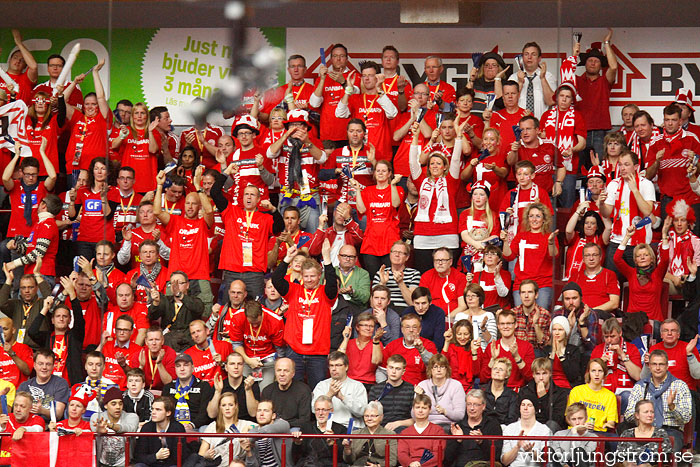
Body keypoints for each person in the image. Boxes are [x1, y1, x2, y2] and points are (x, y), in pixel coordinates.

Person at [271, 240, 337, 389]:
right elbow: (276, 280)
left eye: (313, 276)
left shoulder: (325, 293)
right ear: (302, 275)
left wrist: (327, 259)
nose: (309, 280)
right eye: (306, 276)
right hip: (294, 351)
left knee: (318, 391)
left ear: (319, 276)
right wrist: (287, 259)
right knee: (293, 390)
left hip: (318, 353)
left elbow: (332, 284)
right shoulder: (294, 290)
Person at [409, 120, 467, 272]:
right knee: (425, 276)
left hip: (447, 234)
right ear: (428, 167)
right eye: (432, 163)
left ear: (444, 167)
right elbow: (412, 162)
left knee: (448, 276)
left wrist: (459, 137)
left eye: (438, 163)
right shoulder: (420, 180)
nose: (435, 166)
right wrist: (415, 138)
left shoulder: (451, 180)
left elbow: (455, 159)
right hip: (423, 236)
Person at [154, 168, 215, 311]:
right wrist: (159, 186)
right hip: (176, 277)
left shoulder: (203, 223)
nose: (190, 206)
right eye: (188, 203)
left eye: (194, 204)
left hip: (200, 276)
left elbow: (210, 211)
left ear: (199, 205)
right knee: (171, 315)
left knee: (205, 314)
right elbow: (157, 211)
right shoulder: (175, 221)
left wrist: (198, 186)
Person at [267, 109, 326, 232]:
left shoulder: (314, 142)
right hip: (288, 196)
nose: (295, 128)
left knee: (314, 235)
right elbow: (270, 154)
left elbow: (322, 159)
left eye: (299, 125)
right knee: (286, 236)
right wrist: (285, 136)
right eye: (292, 125)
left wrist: (307, 142)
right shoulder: (282, 143)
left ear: (305, 127)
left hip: (309, 196)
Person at [539, 58, 587, 208]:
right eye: (562, 96)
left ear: (572, 99)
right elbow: (541, 137)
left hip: (568, 167)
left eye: (568, 97)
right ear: (556, 97)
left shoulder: (577, 116)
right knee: (546, 206)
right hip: (547, 167)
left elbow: (582, 142)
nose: (564, 99)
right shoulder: (547, 115)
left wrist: (572, 149)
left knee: (566, 207)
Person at [625, 349, 692, 453]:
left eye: (661, 364)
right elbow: (628, 415)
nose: (657, 368)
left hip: (670, 430)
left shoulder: (680, 386)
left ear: (667, 366)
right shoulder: (640, 386)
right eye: (654, 364)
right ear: (649, 366)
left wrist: (672, 407)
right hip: (643, 429)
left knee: (663, 450)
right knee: (626, 444)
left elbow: (686, 418)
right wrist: (640, 412)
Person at [599, 151, 655, 274]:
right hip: (617, 241)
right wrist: (601, 204)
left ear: (635, 167)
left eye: (626, 164)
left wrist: (634, 190)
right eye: (620, 164)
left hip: (640, 244)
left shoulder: (646, 184)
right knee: (612, 281)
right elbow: (606, 213)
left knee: (640, 282)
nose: (622, 168)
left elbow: (647, 211)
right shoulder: (613, 184)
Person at [27, 277, 85, 385]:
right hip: (50, 386)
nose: (61, 318)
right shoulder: (48, 338)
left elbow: (80, 320)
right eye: (58, 316)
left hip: (70, 387)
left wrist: (72, 294)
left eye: (65, 316)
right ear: (52, 320)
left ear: (69, 319)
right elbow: (32, 332)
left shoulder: (74, 336)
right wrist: (45, 309)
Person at [336, 62, 398, 160]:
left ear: (377, 77)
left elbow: (392, 114)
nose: (366, 78)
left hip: (381, 155)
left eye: (370, 75)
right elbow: (339, 113)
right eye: (364, 76)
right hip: (360, 154)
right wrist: (348, 90)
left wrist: (379, 89)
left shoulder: (385, 97)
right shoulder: (355, 98)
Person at [501, 202, 558, 308]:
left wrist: (550, 242)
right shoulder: (520, 236)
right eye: (531, 216)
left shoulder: (549, 236)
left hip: (543, 284)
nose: (534, 219)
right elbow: (509, 256)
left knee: (540, 320)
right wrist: (505, 241)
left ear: (544, 219)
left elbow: (553, 256)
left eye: (538, 216)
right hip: (521, 284)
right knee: (521, 320)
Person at [354, 159, 404, 279]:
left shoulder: (398, 189)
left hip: (390, 240)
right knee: (374, 279)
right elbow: (361, 210)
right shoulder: (367, 191)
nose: (380, 173)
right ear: (374, 173)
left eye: (384, 171)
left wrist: (392, 184)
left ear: (389, 173)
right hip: (371, 242)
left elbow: (395, 204)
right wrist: (357, 190)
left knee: (391, 279)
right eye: (378, 171)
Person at [62, 60, 111, 178]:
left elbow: (100, 97)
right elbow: (61, 100)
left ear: (98, 106)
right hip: (74, 168)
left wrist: (95, 73)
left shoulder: (103, 118)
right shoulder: (77, 117)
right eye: (87, 104)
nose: (90, 107)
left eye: (93, 104)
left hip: (95, 170)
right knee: (74, 196)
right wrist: (74, 83)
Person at [575, 29, 618, 158]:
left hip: (601, 130)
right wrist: (574, 52)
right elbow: (567, 69)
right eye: (590, 60)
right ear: (585, 63)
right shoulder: (576, 80)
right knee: (579, 172)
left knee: (601, 169)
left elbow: (614, 67)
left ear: (601, 65)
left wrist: (606, 43)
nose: (593, 63)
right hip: (580, 131)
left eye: (597, 61)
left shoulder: (604, 81)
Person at [615, 224, 669, 323]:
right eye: (639, 256)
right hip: (633, 322)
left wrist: (664, 235)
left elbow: (665, 259)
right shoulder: (631, 273)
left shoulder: (658, 273)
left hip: (654, 321)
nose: (642, 257)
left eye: (646, 255)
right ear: (635, 260)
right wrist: (627, 237)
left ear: (652, 258)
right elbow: (616, 259)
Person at [310, 43, 361, 146]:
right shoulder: (322, 78)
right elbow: (314, 104)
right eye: (335, 56)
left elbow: (356, 94)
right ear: (331, 59)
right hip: (327, 134)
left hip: (349, 134)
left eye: (342, 56)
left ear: (347, 59)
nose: (338, 59)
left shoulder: (354, 76)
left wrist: (343, 82)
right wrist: (323, 79)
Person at [68, 157, 118, 259]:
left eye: (103, 169)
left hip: (104, 240)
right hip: (84, 239)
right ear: (92, 171)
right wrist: (72, 201)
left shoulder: (113, 191)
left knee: (101, 272)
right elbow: (72, 216)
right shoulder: (82, 190)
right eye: (96, 168)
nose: (99, 172)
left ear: (108, 172)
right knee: (84, 272)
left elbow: (108, 216)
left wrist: (103, 197)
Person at [228, 300, 284, 390]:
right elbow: (236, 343)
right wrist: (248, 360)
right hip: (246, 359)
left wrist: (279, 367)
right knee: (243, 390)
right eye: (251, 323)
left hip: (267, 361)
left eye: (257, 323)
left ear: (261, 313)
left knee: (265, 391)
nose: (254, 326)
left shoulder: (275, 321)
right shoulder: (238, 317)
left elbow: (280, 349)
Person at [590, 318, 642, 411]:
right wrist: (599, 363)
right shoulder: (598, 350)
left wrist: (623, 355)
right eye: (606, 337)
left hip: (625, 392)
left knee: (626, 396)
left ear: (620, 333)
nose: (609, 340)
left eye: (612, 336)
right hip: (603, 391)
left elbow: (638, 376)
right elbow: (588, 378)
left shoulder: (631, 349)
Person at [196, 392, 258, 467]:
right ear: (220, 407)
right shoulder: (212, 426)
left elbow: (260, 428)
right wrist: (207, 455)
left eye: (230, 405)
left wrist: (247, 429)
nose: (227, 408)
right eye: (224, 405)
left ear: (236, 406)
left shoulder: (244, 424)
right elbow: (201, 454)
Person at [148, 271, 205, 351]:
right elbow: (152, 316)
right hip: (170, 342)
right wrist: (156, 302)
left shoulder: (195, 301)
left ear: (187, 285)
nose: (175, 286)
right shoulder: (165, 300)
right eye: (172, 283)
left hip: (189, 341)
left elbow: (199, 309)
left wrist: (180, 295)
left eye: (179, 283)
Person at [0, 264, 51, 350]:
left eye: (30, 287)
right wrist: (8, 280)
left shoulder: (43, 303)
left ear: (37, 288)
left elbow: (50, 299)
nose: (27, 291)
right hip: (16, 350)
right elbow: (1, 303)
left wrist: (38, 276)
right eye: (23, 288)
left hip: (37, 351)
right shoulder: (15, 304)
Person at [447, 388, 503, 465]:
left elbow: (496, 456)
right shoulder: (457, 427)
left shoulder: (492, 425)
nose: (472, 408)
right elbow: (447, 459)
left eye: (476, 405)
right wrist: (457, 441)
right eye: (469, 404)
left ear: (483, 406)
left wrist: (482, 442)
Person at [481, 309, 535, 390]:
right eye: (502, 324)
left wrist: (517, 357)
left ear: (516, 324)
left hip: (519, 392)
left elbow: (530, 377)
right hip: (496, 392)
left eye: (509, 323)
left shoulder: (527, 346)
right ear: (498, 326)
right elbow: (483, 379)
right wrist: (492, 360)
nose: (505, 327)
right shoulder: (491, 347)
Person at [311, 351, 368, 428]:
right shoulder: (321, 385)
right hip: (328, 428)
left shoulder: (357, 386)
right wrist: (329, 395)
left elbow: (362, 412)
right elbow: (313, 410)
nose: (334, 369)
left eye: (338, 365)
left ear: (346, 367)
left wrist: (343, 398)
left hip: (351, 428)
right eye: (331, 365)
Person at [642, 319, 700, 391]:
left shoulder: (689, 347)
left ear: (678, 334)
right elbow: (643, 378)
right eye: (666, 330)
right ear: (661, 335)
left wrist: (689, 354)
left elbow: (698, 375)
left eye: (673, 330)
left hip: (685, 391)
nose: (669, 333)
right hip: (660, 391)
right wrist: (647, 365)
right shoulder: (655, 349)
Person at [133, 396, 191, 467]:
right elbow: (139, 456)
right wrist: (156, 456)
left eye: (158, 410)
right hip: (150, 464)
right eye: (152, 409)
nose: (153, 412)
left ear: (168, 413)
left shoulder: (178, 428)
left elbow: (180, 458)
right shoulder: (147, 427)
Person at [381, 313, 437, 385]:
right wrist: (385, 386)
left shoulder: (428, 345)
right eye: (407, 327)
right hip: (395, 389)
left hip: (419, 389)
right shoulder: (392, 346)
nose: (411, 330)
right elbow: (381, 371)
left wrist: (421, 350)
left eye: (414, 327)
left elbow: (434, 366)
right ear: (402, 330)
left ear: (419, 329)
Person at [162, 352, 213, 431]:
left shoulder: (203, 386)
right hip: (171, 428)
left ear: (192, 368)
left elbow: (205, 413)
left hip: (196, 427)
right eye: (178, 366)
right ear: (175, 369)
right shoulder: (168, 387)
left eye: (186, 365)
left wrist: (192, 425)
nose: (182, 369)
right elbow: (163, 411)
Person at [91, 386, 140, 467]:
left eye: (120, 403)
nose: (118, 407)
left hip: (126, 465)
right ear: (106, 405)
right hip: (102, 465)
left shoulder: (132, 417)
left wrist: (111, 426)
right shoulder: (97, 417)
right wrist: (99, 431)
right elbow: (94, 428)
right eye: (113, 404)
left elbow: (129, 429)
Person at [18, 348, 70, 423]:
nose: (44, 367)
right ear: (34, 365)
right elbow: (17, 411)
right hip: (27, 426)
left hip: (50, 428)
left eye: (48, 364)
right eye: (40, 364)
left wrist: (42, 410)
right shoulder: (24, 386)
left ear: (53, 366)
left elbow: (58, 414)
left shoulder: (61, 384)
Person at [293, 395, 346, 467]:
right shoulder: (306, 427)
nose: (320, 413)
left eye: (324, 410)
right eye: (317, 410)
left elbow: (343, 458)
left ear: (331, 411)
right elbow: (296, 457)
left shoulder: (340, 429)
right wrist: (297, 443)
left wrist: (333, 444)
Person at [567, 358, 617, 433]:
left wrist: (607, 424)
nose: (597, 374)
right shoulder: (576, 391)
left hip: (598, 432)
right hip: (577, 430)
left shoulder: (610, 396)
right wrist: (582, 426)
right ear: (589, 373)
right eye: (593, 371)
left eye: (600, 371)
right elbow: (568, 418)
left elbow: (611, 421)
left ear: (605, 374)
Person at [519, 358, 569, 432]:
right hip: (529, 426)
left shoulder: (560, 393)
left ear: (550, 374)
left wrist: (543, 398)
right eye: (538, 374)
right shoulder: (525, 391)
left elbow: (556, 420)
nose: (541, 378)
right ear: (533, 375)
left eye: (544, 373)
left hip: (549, 428)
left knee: (551, 424)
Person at [617, 400, 674, 466]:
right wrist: (627, 463)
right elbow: (619, 457)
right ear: (637, 415)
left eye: (652, 412)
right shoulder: (626, 434)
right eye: (646, 412)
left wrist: (649, 464)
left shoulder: (661, 433)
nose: (650, 415)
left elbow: (666, 457)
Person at [416, 353, 465, 428]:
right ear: (430, 369)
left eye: (442, 367)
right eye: (435, 367)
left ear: (447, 369)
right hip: (426, 425)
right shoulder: (422, 386)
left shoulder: (456, 385)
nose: (439, 370)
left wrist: (445, 412)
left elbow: (460, 415)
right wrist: (419, 398)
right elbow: (414, 416)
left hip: (448, 425)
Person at [342, 400, 398, 467]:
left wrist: (377, 466)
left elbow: (393, 461)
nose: (369, 419)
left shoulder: (390, 434)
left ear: (381, 417)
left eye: (373, 416)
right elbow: (348, 461)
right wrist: (347, 449)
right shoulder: (355, 434)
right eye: (366, 416)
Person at [367, 354, 415, 432]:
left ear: (403, 371)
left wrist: (398, 423)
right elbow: (369, 417)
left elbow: (417, 419)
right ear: (386, 368)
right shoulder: (376, 389)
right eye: (391, 367)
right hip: (379, 428)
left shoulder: (411, 390)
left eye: (398, 369)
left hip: (403, 429)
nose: (393, 371)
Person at [307, 202, 364, 267]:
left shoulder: (353, 232)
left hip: (349, 272)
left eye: (345, 212)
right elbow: (313, 251)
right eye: (339, 211)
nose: (341, 215)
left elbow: (360, 239)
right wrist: (320, 227)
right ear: (334, 213)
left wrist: (348, 220)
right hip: (327, 271)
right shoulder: (327, 232)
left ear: (349, 216)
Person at [260, 357, 311, 428]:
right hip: (272, 427)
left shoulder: (303, 390)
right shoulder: (267, 391)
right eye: (279, 370)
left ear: (293, 373)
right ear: (275, 372)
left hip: (294, 428)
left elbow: (305, 420)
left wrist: (283, 425)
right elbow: (263, 416)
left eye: (286, 371)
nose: (282, 374)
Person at [207, 353, 259, 423]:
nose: (236, 367)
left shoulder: (252, 384)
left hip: (246, 426)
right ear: (226, 367)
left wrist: (248, 390)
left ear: (243, 367)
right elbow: (211, 414)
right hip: (223, 425)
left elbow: (253, 413)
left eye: (239, 364)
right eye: (232, 364)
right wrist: (218, 392)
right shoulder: (219, 385)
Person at [501, 398, 553, 467]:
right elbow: (505, 461)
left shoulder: (545, 430)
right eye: (523, 405)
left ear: (535, 409)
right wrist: (517, 446)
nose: (525, 408)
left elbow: (545, 462)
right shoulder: (509, 429)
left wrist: (530, 451)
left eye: (529, 405)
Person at [663, 198, 700, 295]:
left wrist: (686, 278)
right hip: (670, 280)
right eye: (676, 220)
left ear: (688, 222)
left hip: (691, 282)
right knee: (660, 284)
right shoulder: (667, 241)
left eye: (683, 220)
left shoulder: (696, 242)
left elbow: (697, 271)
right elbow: (660, 270)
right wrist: (674, 278)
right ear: (672, 222)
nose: (679, 224)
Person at [569, 243, 620, 312]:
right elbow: (568, 301)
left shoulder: (609, 275)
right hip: (578, 313)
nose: (591, 258)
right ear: (583, 258)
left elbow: (614, 303)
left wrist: (591, 311)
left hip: (602, 314)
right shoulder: (575, 276)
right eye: (587, 255)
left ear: (600, 257)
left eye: (595, 255)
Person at [509, 42, 555, 118]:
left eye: (533, 54)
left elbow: (551, 101)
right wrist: (520, 83)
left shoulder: (548, 77)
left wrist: (543, 78)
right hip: (518, 125)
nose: (529, 57)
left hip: (540, 125)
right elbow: (509, 103)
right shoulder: (513, 78)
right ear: (522, 57)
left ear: (539, 58)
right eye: (526, 54)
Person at [397, 394, 445, 467]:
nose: (420, 411)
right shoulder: (405, 432)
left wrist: (420, 464)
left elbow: (438, 454)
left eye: (424, 408)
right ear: (413, 409)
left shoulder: (438, 431)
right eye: (417, 407)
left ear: (430, 410)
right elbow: (402, 454)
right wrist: (410, 463)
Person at [239, 400, 292, 466]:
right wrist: (248, 451)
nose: (261, 414)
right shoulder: (252, 433)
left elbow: (267, 430)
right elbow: (253, 465)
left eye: (266, 411)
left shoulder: (282, 424)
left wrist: (249, 437)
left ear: (273, 416)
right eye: (259, 410)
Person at [553, 282, 600, 355]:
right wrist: (569, 327)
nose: (571, 302)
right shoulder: (558, 314)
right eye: (567, 299)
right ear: (563, 300)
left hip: (583, 353)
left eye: (574, 298)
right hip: (564, 352)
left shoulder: (591, 314)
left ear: (581, 298)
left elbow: (592, 345)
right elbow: (555, 344)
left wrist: (582, 324)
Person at [374, 241, 421, 313]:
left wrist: (400, 283)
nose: (397, 255)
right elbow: (373, 303)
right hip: (384, 310)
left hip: (405, 311)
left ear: (407, 257)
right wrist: (382, 283)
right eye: (394, 252)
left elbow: (412, 303)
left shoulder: (414, 274)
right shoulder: (381, 273)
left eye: (401, 253)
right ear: (390, 254)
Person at [419, 247, 467, 318]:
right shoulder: (426, 276)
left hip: (453, 317)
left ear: (450, 262)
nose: (440, 263)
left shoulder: (460, 277)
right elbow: (422, 303)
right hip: (431, 317)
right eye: (437, 260)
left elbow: (462, 306)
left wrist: (447, 319)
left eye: (443, 260)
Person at [338, 311, 383, 388]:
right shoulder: (349, 343)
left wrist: (376, 342)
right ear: (357, 327)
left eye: (371, 326)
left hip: (368, 384)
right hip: (348, 382)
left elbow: (376, 361)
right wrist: (346, 339)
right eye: (365, 325)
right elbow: (338, 360)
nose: (368, 328)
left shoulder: (376, 343)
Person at [564, 208, 610, 281]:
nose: (589, 226)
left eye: (592, 223)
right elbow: (568, 231)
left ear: (597, 226)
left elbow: (608, 228)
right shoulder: (576, 237)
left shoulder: (600, 240)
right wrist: (578, 211)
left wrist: (602, 207)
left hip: (592, 281)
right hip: (571, 281)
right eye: (586, 223)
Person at [0, 391, 45, 464]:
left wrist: (23, 429)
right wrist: (1, 427)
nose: (18, 409)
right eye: (16, 405)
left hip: (25, 463)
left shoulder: (36, 419)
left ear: (30, 408)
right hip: (4, 462)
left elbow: (38, 429)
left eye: (22, 406)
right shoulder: (5, 418)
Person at [183, 319, 232, 387]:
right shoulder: (187, 355)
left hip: (223, 388)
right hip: (200, 391)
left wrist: (223, 363)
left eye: (199, 331)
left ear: (207, 331)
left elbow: (236, 370)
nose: (196, 335)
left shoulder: (224, 346)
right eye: (193, 333)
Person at [550, 403, 599, 467]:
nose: (577, 422)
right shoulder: (559, 434)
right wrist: (564, 465)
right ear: (569, 421)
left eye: (580, 418)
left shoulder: (594, 438)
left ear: (586, 418)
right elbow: (556, 457)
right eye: (573, 419)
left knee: (579, 450)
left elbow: (582, 457)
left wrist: (575, 433)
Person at [129, 326, 176, 391]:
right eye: (151, 340)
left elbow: (168, 383)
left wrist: (159, 364)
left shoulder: (170, 353)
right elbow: (134, 384)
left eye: (157, 340)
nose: (154, 343)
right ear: (146, 341)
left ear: (162, 341)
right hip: (143, 392)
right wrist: (141, 366)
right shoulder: (139, 354)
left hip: (163, 392)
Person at [543, 316, 585, 389]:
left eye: (560, 330)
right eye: (554, 329)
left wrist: (561, 355)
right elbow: (543, 373)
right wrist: (552, 354)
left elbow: (573, 376)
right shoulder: (546, 350)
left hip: (567, 387)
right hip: (549, 387)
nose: (557, 333)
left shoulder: (573, 350)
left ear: (565, 332)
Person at [452, 283, 496, 350]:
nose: (470, 298)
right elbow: (455, 340)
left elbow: (492, 342)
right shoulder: (459, 316)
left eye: (473, 296)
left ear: (480, 298)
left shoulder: (488, 315)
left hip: (484, 352)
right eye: (467, 296)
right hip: (464, 352)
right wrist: (469, 327)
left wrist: (483, 329)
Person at [512, 280, 551, 353]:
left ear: (536, 295)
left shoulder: (544, 314)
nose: (526, 296)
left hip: (536, 354)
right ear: (520, 295)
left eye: (530, 292)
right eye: (523, 292)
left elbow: (546, 345)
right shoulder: (512, 313)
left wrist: (536, 324)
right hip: (516, 352)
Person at [442, 319, 481, 392]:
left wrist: (474, 351)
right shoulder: (450, 347)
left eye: (466, 334)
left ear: (470, 334)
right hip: (451, 387)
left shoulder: (476, 348)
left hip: (470, 388)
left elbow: (476, 372)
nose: (462, 338)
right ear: (454, 334)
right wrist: (447, 342)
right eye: (459, 334)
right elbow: (442, 363)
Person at [469, 244, 511, 310]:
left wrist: (497, 276)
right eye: (486, 254)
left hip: (500, 312)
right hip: (483, 312)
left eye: (493, 254)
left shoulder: (505, 274)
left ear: (499, 259)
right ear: (483, 259)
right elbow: (473, 296)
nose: (489, 256)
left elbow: (503, 293)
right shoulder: (477, 275)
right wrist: (468, 283)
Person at [467, 52, 507, 117]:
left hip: (493, 124)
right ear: (483, 68)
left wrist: (497, 79)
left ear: (499, 69)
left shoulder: (503, 84)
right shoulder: (475, 82)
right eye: (487, 65)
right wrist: (471, 79)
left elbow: (500, 103)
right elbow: (464, 98)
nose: (490, 67)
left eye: (494, 65)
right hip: (474, 122)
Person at [334, 244, 371, 313]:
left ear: (356, 259)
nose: (348, 259)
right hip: (335, 309)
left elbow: (365, 298)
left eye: (351, 257)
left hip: (356, 309)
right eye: (344, 256)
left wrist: (352, 292)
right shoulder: (331, 272)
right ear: (338, 257)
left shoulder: (363, 273)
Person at [483, 357, 519, 426]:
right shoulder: (482, 391)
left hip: (504, 429)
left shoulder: (512, 396)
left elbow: (512, 420)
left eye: (501, 369)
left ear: (507, 375)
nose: (497, 371)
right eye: (495, 368)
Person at [0, 317, 33, 389]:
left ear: (13, 330)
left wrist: (11, 353)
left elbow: (28, 371)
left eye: (5, 329)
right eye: (0, 329)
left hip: (19, 394)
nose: (2, 332)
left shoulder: (24, 348)